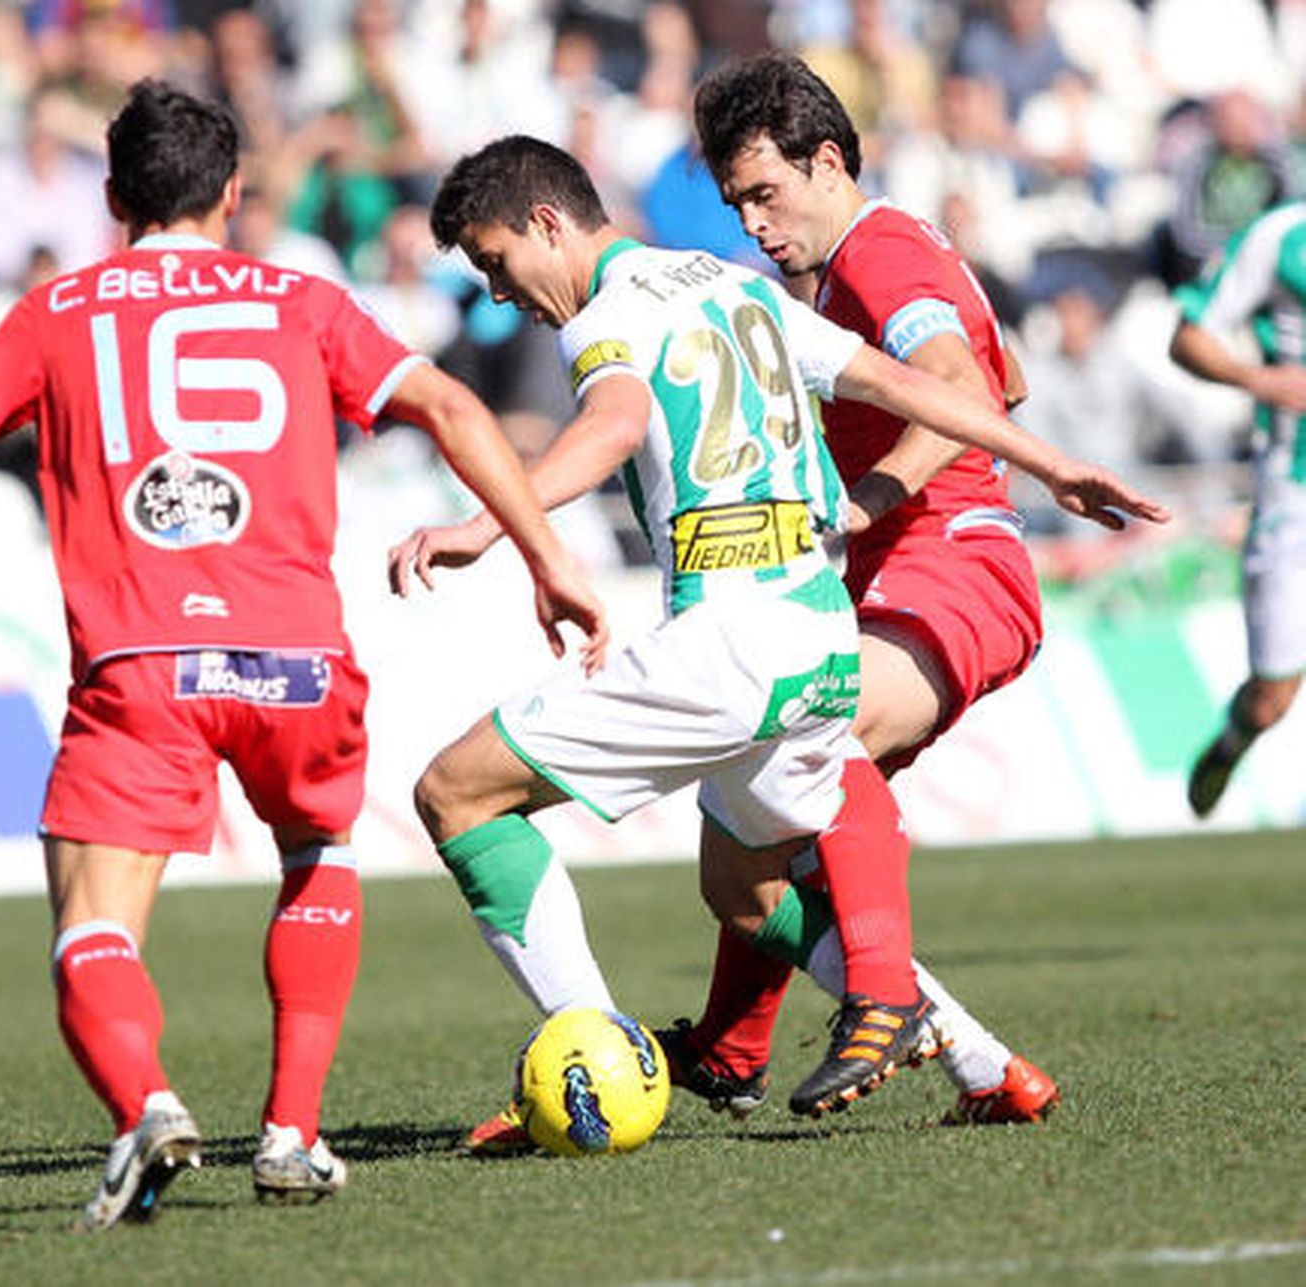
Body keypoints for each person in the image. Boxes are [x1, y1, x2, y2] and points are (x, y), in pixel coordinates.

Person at [0, 81, 605, 1227]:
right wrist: (547, 559)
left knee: (91, 922)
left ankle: (147, 1107)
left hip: (142, 662)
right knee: (316, 854)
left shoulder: (55, 313)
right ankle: (293, 1133)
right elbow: (458, 414)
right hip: (298, 661)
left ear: (113, 196)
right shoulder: (303, 301)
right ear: (231, 194)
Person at [387, 135, 1163, 1148]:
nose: (501, 293)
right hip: (817, 630)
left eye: (497, 262)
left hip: (727, 644)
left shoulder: (606, 317)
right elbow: (903, 384)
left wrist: (488, 524)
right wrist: (1053, 464)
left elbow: (612, 424)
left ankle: (595, 1065)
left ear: (546, 222)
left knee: (456, 793)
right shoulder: (734, 285)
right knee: (743, 889)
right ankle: (984, 1063)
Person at [656, 50, 1079, 1130]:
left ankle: (883, 993)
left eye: (765, 192)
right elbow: (1007, 376)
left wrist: (869, 495)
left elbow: (964, 385)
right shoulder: (883, 257)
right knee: (743, 862)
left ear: (829, 162)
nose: (753, 223)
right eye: (736, 204)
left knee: (814, 731)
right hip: (914, 573)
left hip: (955, 564)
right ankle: (731, 1047)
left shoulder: (878, 253)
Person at [1172, 200, 1306, 818]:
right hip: (1293, 491)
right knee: (1272, 699)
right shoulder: (1279, 237)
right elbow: (1188, 338)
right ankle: (1231, 742)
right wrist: (1262, 381)